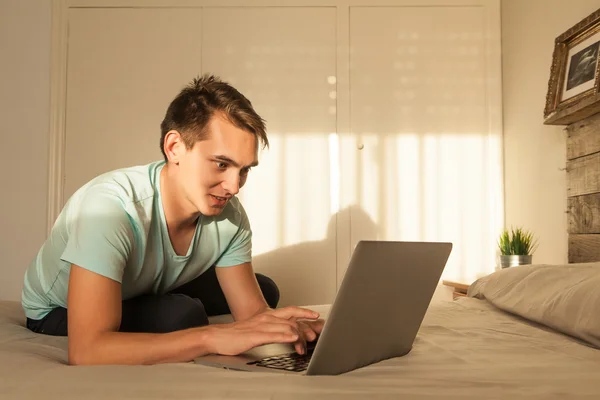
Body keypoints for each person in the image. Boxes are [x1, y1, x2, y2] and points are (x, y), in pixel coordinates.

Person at [21, 74, 324, 365]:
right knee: (182, 315)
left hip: (146, 284)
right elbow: (87, 351)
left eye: (244, 170)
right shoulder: (110, 208)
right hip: (56, 308)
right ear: (174, 148)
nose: (234, 186)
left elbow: (251, 316)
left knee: (266, 291)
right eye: (221, 164)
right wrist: (212, 337)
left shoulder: (230, 216)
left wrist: (295, 330)